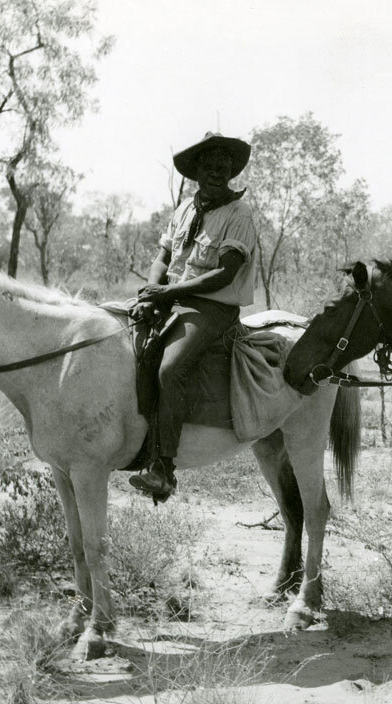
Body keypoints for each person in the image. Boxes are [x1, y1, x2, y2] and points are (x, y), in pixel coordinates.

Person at [129, 132, 258, 498]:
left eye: (224, 166)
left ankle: (163, 468)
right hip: (172, 297)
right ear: (196, 171)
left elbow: (225, 273)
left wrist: (167, 292)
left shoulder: (239, 214)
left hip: (212, 307)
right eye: (209, 165)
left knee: (171, 369)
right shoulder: (185, 208)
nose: (217, 172)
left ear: (231, 171)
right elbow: (162, 259)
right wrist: (150, 293)